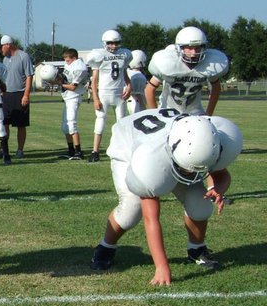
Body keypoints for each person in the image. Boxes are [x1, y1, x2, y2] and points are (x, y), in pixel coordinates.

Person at [90, 108, 242, 285]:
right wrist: (161, 266)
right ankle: (106, 247)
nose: (190, 173)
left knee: (200, 204)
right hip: (128, 144)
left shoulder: (205, 138)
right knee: (132, 208)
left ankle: (196, 249)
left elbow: (222, 174)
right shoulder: (150, 159)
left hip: (170, 143)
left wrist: (218, 189)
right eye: (187, 169)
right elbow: (151, 218)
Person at [145, 26, 226, 116]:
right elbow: (149, 89)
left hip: (195, 112)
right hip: (168, 111)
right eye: (189, 48)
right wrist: (156, 115)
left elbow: (216, 88)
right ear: (180, 48)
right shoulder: (169, 63)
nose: (194, 52)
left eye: (197, 47)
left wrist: (208, 114)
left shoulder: (208, 65)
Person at [85, 29, 133, 163]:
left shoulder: (125, 54)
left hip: (119, 93)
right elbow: (94, 80)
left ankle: (121, 150)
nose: (113, 46)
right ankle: (95, 151)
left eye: (116, 43)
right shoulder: (98, 55)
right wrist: (95, 98)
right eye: (110, 43)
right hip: (104, 93)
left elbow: (124, 73)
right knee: (100, 120)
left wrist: (129, 85)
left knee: (122, 122)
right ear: (105, 43)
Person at [0, 35, 34, 163]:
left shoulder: (23, 56)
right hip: (6, 94)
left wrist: (26, 95)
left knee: (20, 124)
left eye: (2, 46)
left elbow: (29, 76)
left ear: (8, 44)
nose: (1, 49)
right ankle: (3, 149)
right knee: (4, 123)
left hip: (19, 94)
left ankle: (20, 150)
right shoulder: (5, 59)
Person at [57, 48, 89, 159]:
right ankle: (71, 150)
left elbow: (72, 87)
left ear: (74, 58)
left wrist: (58, 83)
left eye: (67, 59)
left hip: (74, 97)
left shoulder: (80, 67)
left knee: (71, 124)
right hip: (67, 97)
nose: (66, 61)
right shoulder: (70, 65)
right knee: (65, 126)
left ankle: (78, 151)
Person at [126, 50, 148, 115]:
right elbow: (138, 95)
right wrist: (144, 107)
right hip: (135, 103)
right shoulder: (139, 76)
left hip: (126, 102)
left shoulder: (127, 71)